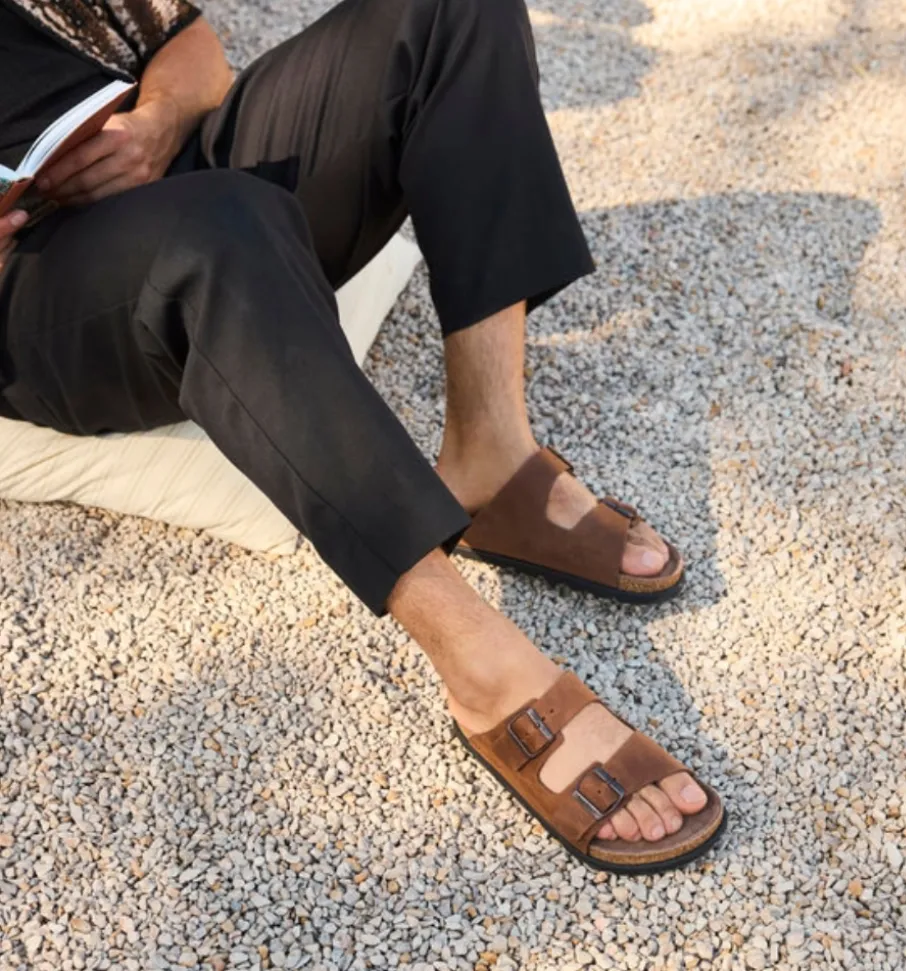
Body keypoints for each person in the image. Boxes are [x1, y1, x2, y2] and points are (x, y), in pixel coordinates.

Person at [0, 0, 724, 873]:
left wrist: (155, 123)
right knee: (222, 227)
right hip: (35, 287)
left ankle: (491, 459)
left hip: (158, 171)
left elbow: (187, 45)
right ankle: (478, 657)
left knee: (455, 13)